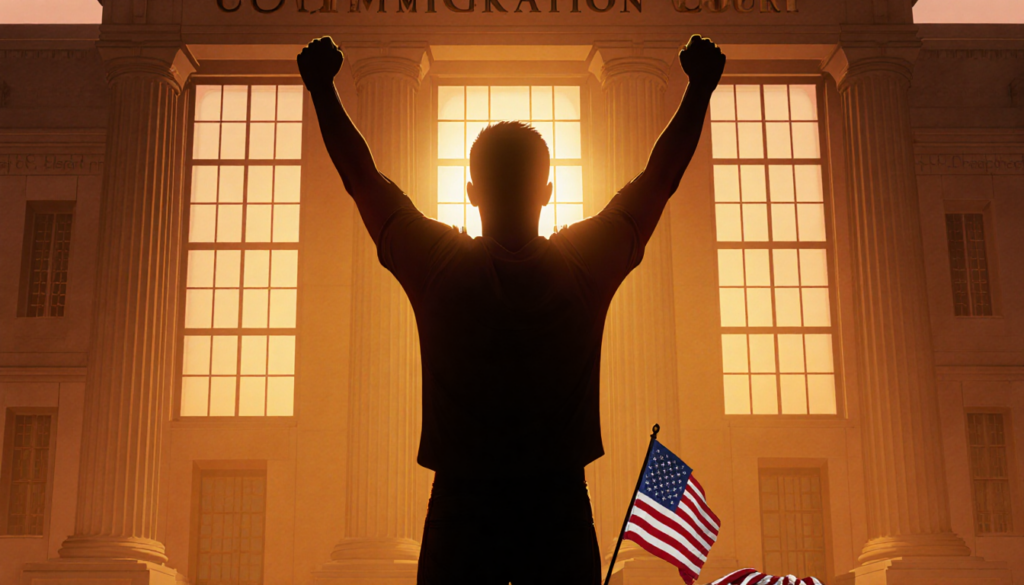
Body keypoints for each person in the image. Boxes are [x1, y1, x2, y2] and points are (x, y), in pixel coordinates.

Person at [297, 34, 726, 585]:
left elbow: (362, 179)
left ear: (472, 191)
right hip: (558, 510)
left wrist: (323, 89)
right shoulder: (582, 266)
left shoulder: (436, 265)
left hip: (461, 509)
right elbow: (659, 181)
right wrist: (699, 90)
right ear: (547, 190)